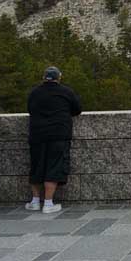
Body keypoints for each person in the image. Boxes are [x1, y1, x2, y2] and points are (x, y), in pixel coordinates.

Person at [26, 66, 82, 213]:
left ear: (44, 78)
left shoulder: (35, 92)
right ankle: (49, 203)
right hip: (59, 134)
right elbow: (77, 110)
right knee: (54, 166)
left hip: (37, 134)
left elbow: (30, 109)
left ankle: (35, 201)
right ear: (59, 78)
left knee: (36, 166)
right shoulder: (66, 92)